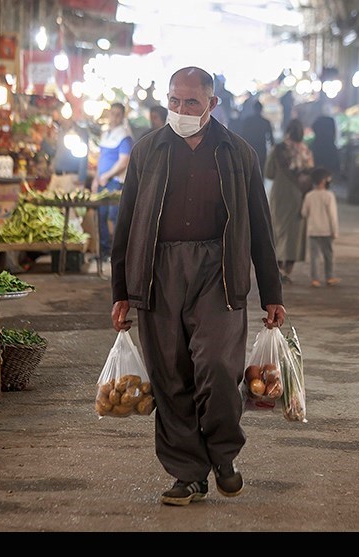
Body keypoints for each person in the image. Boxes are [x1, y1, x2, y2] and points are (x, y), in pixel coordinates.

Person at [110, 66, 285, 506]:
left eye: (191, 102)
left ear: (212, 104)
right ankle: (187, 474)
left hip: (219, 271)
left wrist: (272, 293)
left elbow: (260, 228)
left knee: (219, 371)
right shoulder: (147, 151)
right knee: (171, 377)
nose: (181, 110)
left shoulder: (238, 153)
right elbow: (126, 224)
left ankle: (223, 456)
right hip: (158, 271)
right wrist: (120, 292)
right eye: (174, 101)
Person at [265, 118, 313, 283]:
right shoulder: (306, 152)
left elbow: (269, 173)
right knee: (295, 233)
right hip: (300, 195)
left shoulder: (278, 149)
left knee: (278, 230)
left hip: (280, 194)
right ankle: (288, 270)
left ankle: (277, 268)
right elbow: (311, 175)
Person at [97, 103, 134, 261]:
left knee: (114, 217)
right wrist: (96, 179)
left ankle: (115, 252)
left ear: (123, 116)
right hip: (102, 182)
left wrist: (107, 176)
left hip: (115, 182)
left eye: (118, 114)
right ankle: (104, 251)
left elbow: (123, 161)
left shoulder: (124, 136)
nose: (115, 117)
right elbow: (101, 159)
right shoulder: (106, 134)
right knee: (101, 216)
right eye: (113, 113)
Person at [301, 167, 340, 288]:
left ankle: (315, 279)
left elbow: (303, 213)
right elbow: (332, 216)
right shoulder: (329, 195)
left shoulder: (309, 196)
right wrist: (335, 231)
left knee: (314, 257)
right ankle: (329, 277)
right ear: (323, 180)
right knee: (328, 255)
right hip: (327, 231)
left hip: (313, 230)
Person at [239, 101, 274, 173]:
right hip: (262, 149)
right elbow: (271, 139)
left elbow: (242, 135)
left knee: (249, 169)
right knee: (261, 169)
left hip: (250, 147)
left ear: (253, 109)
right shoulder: (266, 122)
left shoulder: (247, 121)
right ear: (261, 109)